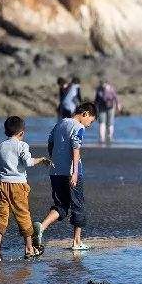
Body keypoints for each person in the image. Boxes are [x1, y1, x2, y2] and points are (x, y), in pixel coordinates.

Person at [0, 116, 51, 262]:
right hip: (18, 185)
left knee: (0, 217)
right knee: (23, 215)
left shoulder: (0, 146)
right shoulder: (22, 145)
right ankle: (29, 249)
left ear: (6, 131)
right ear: (22, 132)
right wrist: (41, 159)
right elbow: (28, 162)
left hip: (0, 184)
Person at [32, 102, 97, 251]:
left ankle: (41, 227)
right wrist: (74, 172)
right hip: (71, 172)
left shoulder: (60, 123)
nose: (89, 125)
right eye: (91, 121)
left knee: (61, 205)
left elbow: (50, 142)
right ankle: (76, 242)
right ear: (85, 113)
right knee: (78, 205)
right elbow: (76, 148)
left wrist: (54, 158)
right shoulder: (79, 127)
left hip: (55, 172)